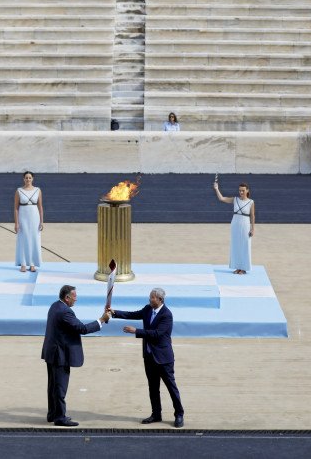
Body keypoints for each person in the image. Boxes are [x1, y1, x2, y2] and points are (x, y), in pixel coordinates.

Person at [110, 288, 184, 428]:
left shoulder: (166, 315)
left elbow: (157, 334)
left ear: (160, 299)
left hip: (163, 358)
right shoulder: (148, 309)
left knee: (171, 387)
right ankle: (156, 414)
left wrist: (136, 331)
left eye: (152, 298)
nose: (150, 299)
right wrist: (114, 312)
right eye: (150, 297)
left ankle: (179, 414)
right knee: (153, 387)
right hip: (149, 357)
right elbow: (132, 314)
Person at [41, 285, 110, 427]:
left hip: (52, 352)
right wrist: (101, 320)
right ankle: (60, 417)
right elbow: (82, 329)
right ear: (67, 298)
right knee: (60, 386)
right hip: (59, 354)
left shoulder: (55, 306)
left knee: (53, 385)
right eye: (74, 296)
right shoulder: (65, 312)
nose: (76, 299)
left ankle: (53, 413)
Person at [213, 181, 255, 274]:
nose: (241, 192)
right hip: (235, 224)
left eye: (243, 191)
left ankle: (244, 268)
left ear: (247, 191)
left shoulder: (251, 202)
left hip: (245, 225)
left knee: (245, 246)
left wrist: (252, 229)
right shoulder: (235, 199)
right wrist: (216, 189)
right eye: (240, 190)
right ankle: (238, 267)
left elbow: (252, 216)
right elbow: (222, 199)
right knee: (236, 246)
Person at [14, 171, 43, 272]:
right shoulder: (19, 191)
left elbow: (40, 206)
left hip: (35, 218)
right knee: (23, 239)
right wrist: (16, 223)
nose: (28, 180)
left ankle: (32, 263)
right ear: (23, 179)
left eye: (30, 178)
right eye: (26, 178)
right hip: (23, 217)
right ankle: (23, 263)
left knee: (34, 239)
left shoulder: (38, 190)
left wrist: (42, 222)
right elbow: (16, 208)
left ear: (32, 179)